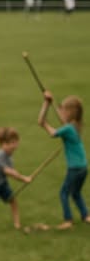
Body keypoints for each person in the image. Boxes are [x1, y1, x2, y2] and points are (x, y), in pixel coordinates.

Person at [38, 90, 89, 228]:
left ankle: (68, 220)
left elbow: (44, 125)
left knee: (64, 193)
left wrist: (46, 104)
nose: (60, 111)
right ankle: (86, 215)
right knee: (76, 193)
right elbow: (62, 120)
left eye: (63, 110)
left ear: (70, 113)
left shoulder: (68, 129)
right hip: (83, 167)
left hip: (75, 168)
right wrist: (49, 102)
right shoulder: (75, 126)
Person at [0, 126, 32, 229]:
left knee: (13, 200)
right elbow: (9, 172)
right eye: (9, 143)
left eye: (14, 142)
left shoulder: (8, 155)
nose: (13, 145)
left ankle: (17, 224)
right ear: (2, 144)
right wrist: (24, 179)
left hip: (2, 183)